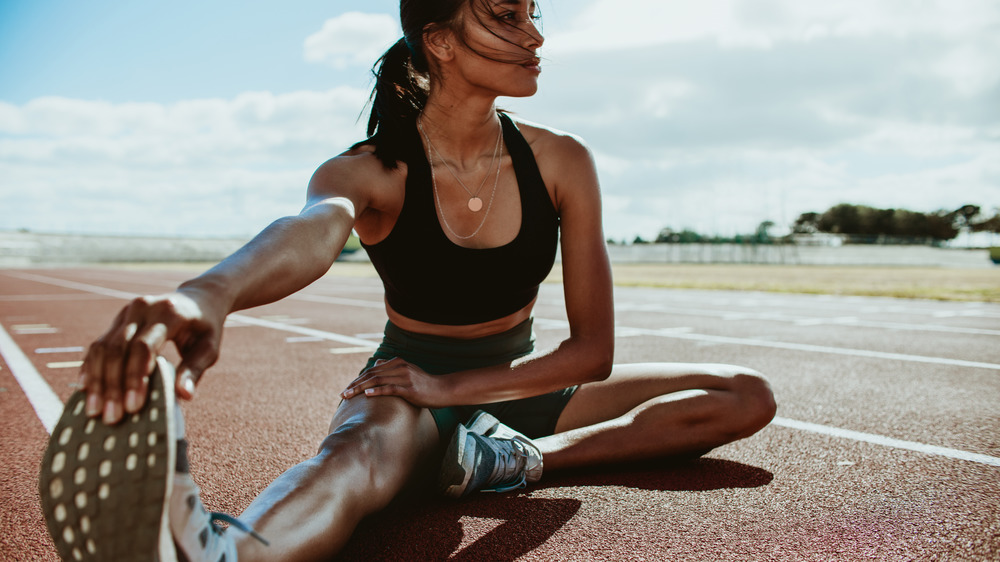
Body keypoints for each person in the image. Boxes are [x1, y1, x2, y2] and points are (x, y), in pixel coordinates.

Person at [39, 1, 776, 560]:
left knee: (743, 394)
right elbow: (309, 231)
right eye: (504, 15)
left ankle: (511, 462)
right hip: (404, 390)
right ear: (440, 41)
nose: (536, 36)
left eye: (533, 14)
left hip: (524, 390)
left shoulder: (563, 162)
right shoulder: (368, 171)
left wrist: (455, 395)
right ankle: (227, 549)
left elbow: (593, 355)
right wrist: (210, 292)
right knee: (349, 461)